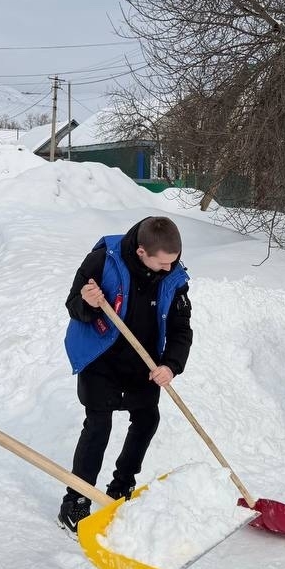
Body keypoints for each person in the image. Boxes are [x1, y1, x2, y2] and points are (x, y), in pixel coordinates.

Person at [60, 216, 193, 532]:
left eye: (173, 262)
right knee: (98, 425)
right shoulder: (104, 258)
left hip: (144, 362)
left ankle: (121, 487)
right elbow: (73, 305)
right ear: (142, 252)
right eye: (163, 263)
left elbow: (180, 328)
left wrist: (171, 365)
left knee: (148, 419)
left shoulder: (174, 276)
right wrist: (88, 304)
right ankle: (76, 501)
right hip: (102, 359)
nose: (169, 269)